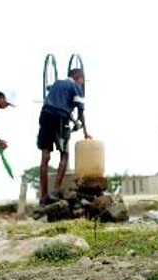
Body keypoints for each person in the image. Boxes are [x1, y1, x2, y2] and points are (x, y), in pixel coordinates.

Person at [37, 68, 91, 205]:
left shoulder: (56, 84)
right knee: (64, 155)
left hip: (45, 115)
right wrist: (84, 131)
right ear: (78, 77)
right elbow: (80, 112)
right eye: (82, 81)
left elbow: (60, 103)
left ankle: (43, 197)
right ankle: (55, 191)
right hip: (60, 119)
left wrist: (73, 121)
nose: (81, 84)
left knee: (45, 156)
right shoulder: (76, 87)